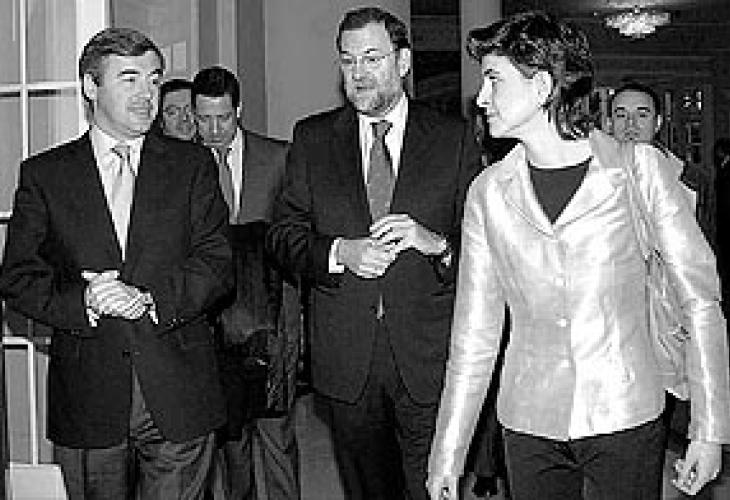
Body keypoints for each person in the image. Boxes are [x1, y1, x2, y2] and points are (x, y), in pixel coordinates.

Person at [427, 11, 730, 500]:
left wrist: (709, 428)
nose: (481, 98)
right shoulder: (488, 192)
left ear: (542, 86)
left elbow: (700, 301)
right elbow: (474, 335)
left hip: (626, 410)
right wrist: (448, 452)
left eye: (493, 79)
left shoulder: (639, 170)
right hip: (527, 417)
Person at [0, 28, 232, 499]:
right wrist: (84, 300)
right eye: (130, 79)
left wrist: (147, 299)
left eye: (154, 79)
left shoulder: (192, 166)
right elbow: (19, 277)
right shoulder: (46, 174)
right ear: (91, 86)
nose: (147, 94)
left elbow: (217, 262)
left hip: (178, 390)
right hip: (89, 397)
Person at [267, 6, 481, 499]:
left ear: (403, 62)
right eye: (347, 61)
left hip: (428, 357)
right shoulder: (313, 139)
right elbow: (282, 237)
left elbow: (484, 248)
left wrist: (435, 243)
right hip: (347, 360)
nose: (358, 73)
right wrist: (339, 252)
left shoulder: (452, 139)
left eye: (372, 58)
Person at [192, 66, 300, 500]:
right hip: (212, 321)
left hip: (271, 319)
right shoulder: (182, 165)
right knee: (230, 439)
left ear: (239, 110)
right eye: (203, 119)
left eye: (223, 118)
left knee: (277, 433)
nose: (214, 130)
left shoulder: (279, 157)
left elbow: (297, 233)